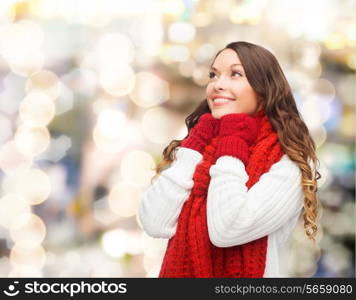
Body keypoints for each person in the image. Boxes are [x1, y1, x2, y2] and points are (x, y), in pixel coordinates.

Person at [138, 41, 320, 278]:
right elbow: (154, 222)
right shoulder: (201, 144)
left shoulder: (289, 161)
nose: (218, 85)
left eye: (235, 74)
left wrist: (232, 140)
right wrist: (193, 146)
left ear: (263, 89)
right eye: (213, 75)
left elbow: (227, 229)